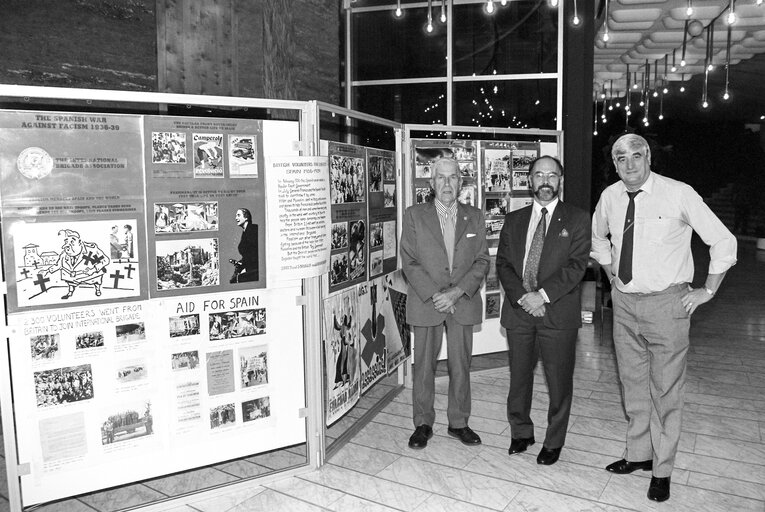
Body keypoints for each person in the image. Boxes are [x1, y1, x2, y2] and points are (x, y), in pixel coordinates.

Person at [591, 133, 737, 503]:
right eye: (620, 158)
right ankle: (638, 455)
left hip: (667, 305)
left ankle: (663, 469)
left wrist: (708, 290)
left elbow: (723, 241)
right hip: (624, 304)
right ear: (614, 163)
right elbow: (599, 241)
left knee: (666, 391)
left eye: (636, 156)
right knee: (633, 385)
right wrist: (612, 278)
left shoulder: (678, 193)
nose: (629, 165)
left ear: (649, 156)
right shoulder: (609, 196)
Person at [496, 156, 591, 466]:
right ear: (530, 181)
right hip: (519, 310)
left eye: (552, 175)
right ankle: (521, 432)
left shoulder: (576, 219)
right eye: (539, 175)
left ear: (560, 180)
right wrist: (524, 297)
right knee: (519, 377)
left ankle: (554, 441)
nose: (545, 180)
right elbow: (504, 264)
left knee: (558, 380)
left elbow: (577, 267)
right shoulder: (514, 219)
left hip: (558, 314)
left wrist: (542, 296)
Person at [400, 157, 490, 449]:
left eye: (453, 178)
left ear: (461, 183)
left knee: (461, 365)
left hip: (462, 301)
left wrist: (457, 292)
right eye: (441, 178)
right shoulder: (414, 215)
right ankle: (423, 424)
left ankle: (459, 423)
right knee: (424, 366)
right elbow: (410, 261)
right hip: (427, 301)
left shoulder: (474, 216)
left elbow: (482, 260)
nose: (447, 184)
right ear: (432, 182)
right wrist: (436, 294)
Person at [46, 229, 110, 300]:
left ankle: (97, 290)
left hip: (91, 274)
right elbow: (58, 265)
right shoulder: (64, 254)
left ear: (79, 242)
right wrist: (48, 271)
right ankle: (70, 292)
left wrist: (93, 269)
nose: (68, 245)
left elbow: (105, 260)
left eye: (72, 242)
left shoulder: (91, 251)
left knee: (96, 281)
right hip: (74, 276)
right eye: (67, 242)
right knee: (71, 283)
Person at [231, 208, 259, 283]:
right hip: (249, 267)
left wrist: (246, 269)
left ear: (246, 217)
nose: (236, 218)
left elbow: (255, 253)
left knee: (235, 281)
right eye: (236, 215)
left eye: (238, 215)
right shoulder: (245, 232)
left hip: (255, 269)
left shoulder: (253, 229)